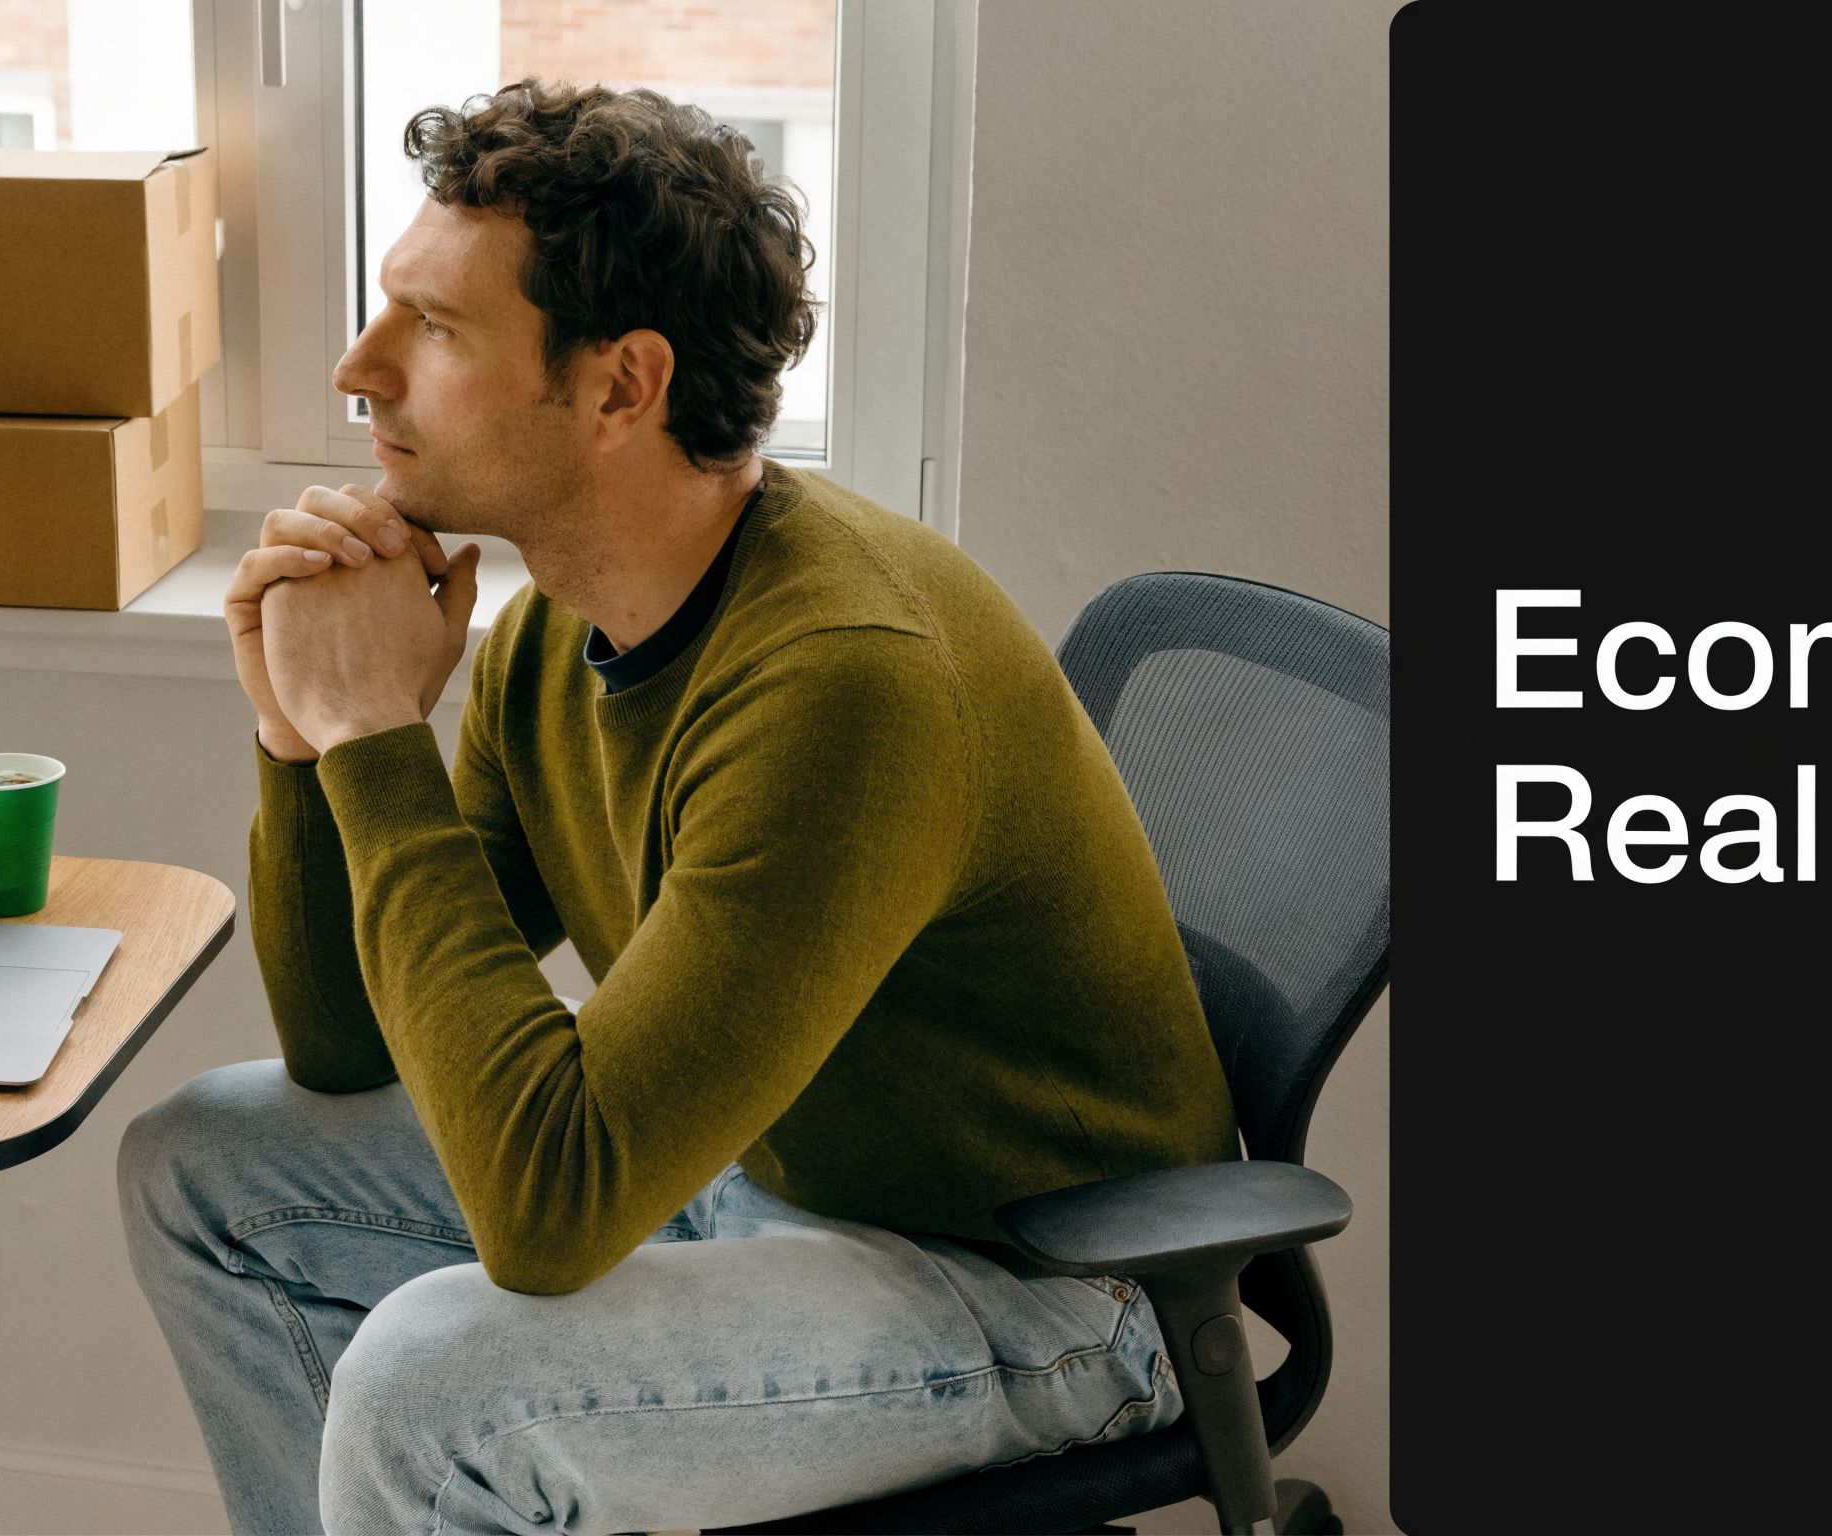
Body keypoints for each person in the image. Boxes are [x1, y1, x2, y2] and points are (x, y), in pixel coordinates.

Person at [116, 79, 1240, 1535]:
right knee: (206, 1166)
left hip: (1035, 1289)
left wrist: (376, 735)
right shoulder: (557, 626)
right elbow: (346, 1045)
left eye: (436, 329)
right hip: (752, 1179)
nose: (359, 366)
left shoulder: (844, 686)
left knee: (435, 1385)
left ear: (621, 386)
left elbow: (549, 1214)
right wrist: (307, 741)